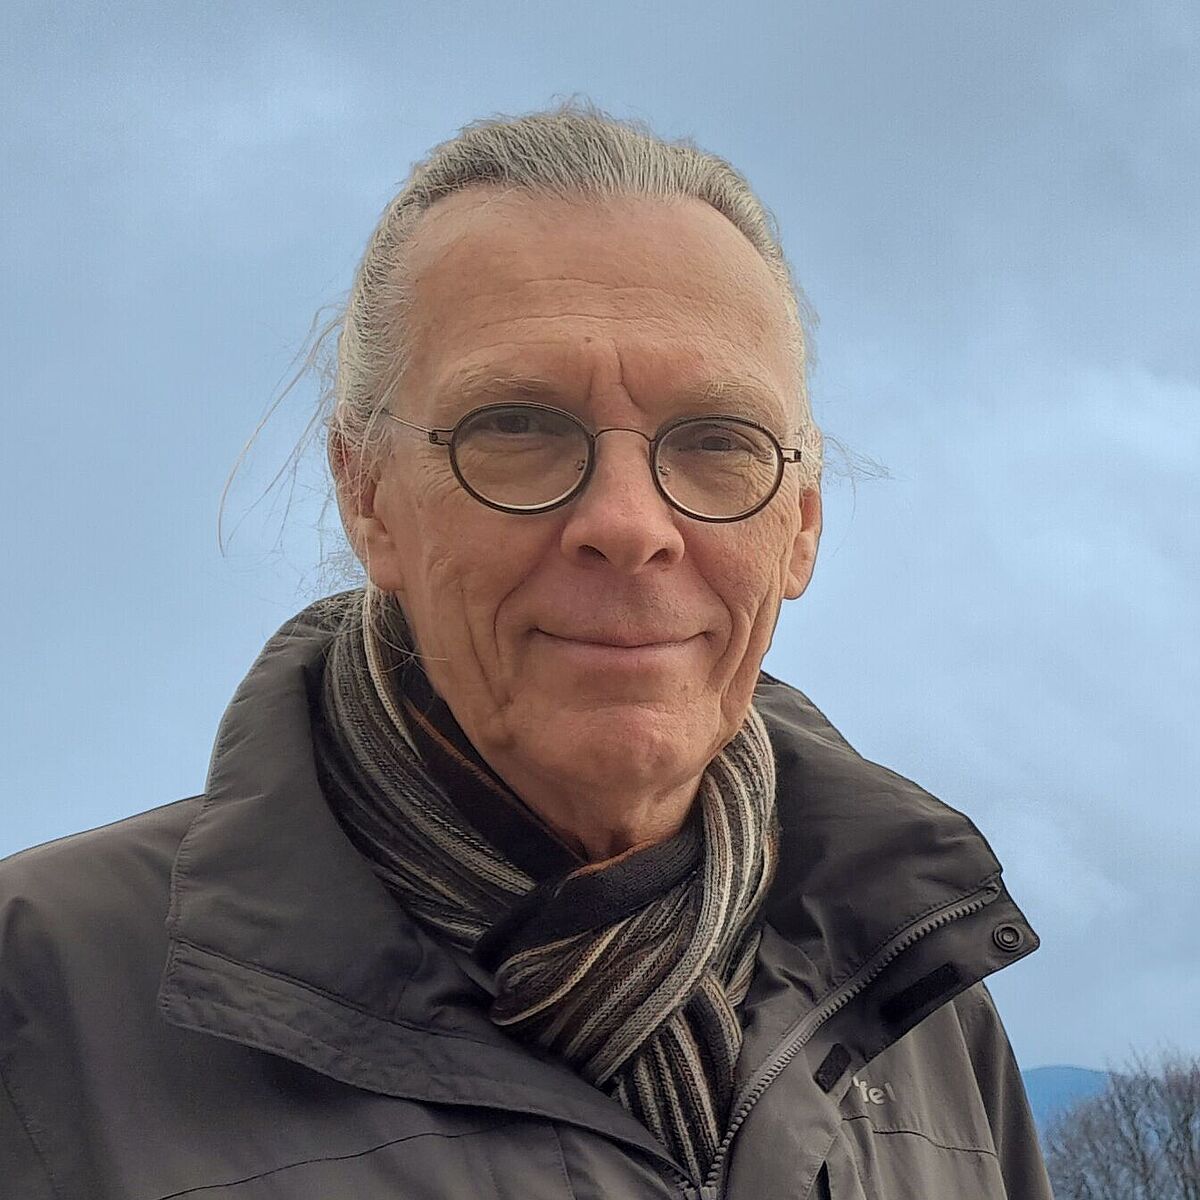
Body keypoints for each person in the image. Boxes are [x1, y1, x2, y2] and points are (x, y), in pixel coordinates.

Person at [0, 104, 1053, 1199]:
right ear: (367, 493)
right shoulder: (45, 1003)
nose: (630, 524)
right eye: (517, 427)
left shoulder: (917, 1019)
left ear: (802, 524)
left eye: (718, 442)